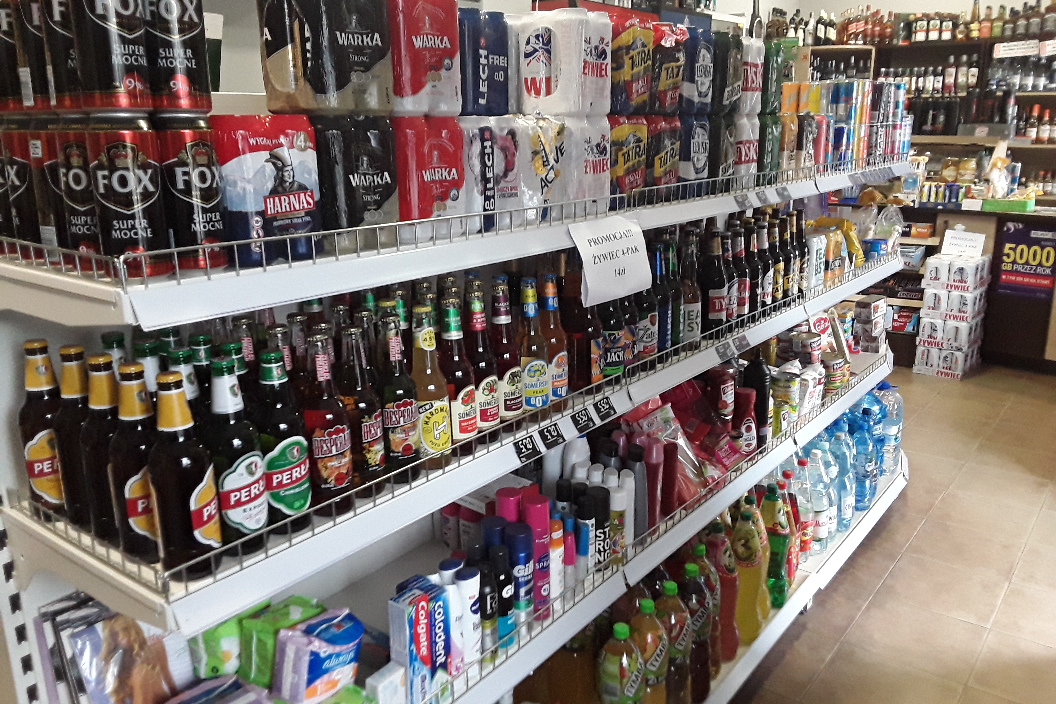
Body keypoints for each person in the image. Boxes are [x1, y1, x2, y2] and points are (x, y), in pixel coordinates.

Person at [100, 615, 178, 704]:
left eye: (125, 629)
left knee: (141, 672)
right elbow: (118, 699)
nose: (121, 637)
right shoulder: (115, 663)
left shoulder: (155, 645)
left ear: (132, 628)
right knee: (140, 672)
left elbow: (167, 677)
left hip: (164, 700)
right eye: (115, 634)